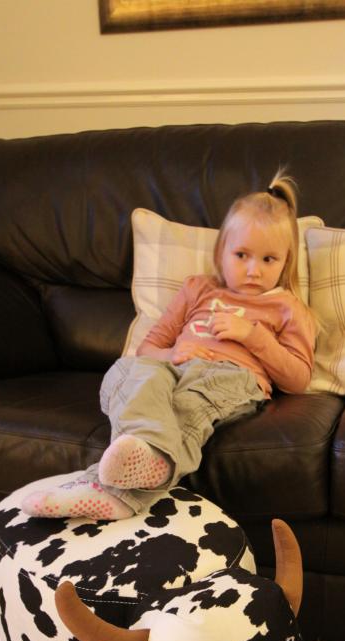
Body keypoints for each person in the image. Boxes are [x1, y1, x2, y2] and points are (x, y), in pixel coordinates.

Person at [23, 170, 317, 521]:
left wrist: (252, 335)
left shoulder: (286, 307)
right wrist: (172, 354)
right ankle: (138, 469)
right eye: (242, 255)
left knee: (186, 409)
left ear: (286, 262)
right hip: (171, 368)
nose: (254, 270)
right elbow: (148, 348)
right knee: (131, 372)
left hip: (230, 377)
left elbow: (298, 379)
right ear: (221, 252)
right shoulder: (198, 289)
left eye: (268, 259)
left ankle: (107, 491)